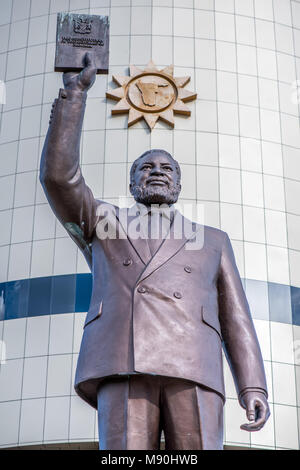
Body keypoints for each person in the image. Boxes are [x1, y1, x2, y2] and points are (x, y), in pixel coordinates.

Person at [40, 53, 270, 450]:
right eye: (146, 168)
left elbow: (237, 320)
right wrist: (74, 95)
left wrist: (253, 385)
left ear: (178, 185)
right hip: (122, 359)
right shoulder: (104, 222)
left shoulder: (212, 239)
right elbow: (60, 178)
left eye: (167, 168)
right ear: (132, 185)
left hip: (194, 363)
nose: (157, 171)